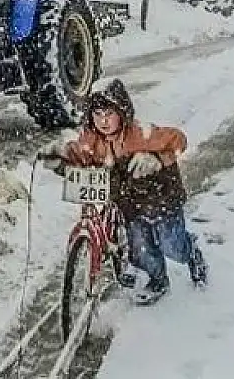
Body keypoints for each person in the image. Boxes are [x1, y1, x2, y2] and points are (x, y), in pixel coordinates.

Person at [45, 78, 208, 305]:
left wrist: (157, 158)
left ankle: (191, 253)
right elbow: (79, 154)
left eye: (109, 114)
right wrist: (58, 156)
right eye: (97, 114)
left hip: (161, 198)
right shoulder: (92, 140)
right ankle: (158, 280)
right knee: (141, 251)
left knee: (172, 246)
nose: (103, 121)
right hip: (129, 205)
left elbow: (178, 140)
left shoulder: (140, 134)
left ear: (122, 113)